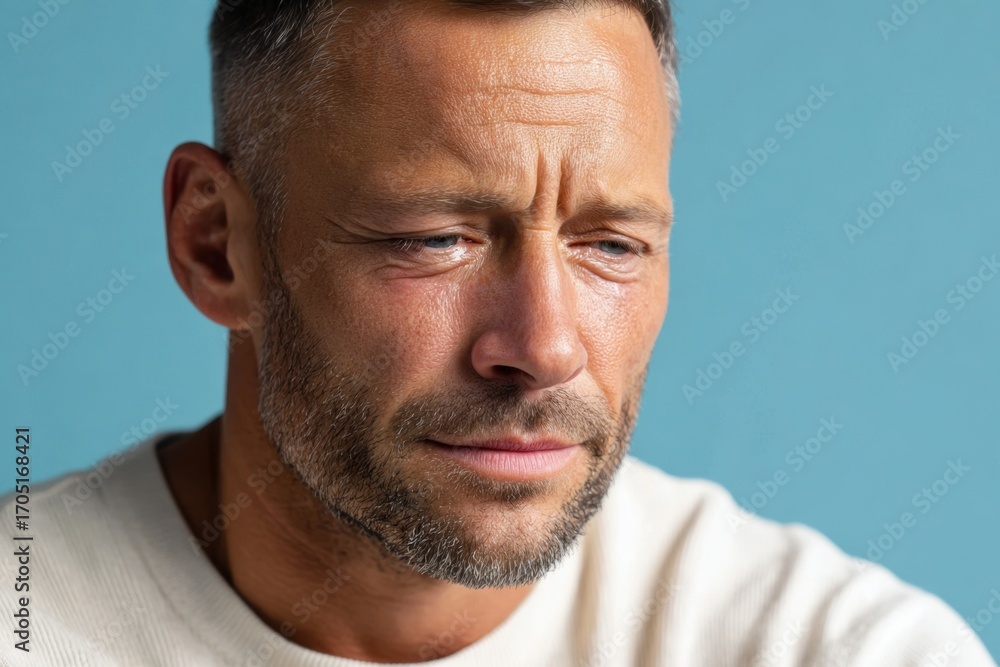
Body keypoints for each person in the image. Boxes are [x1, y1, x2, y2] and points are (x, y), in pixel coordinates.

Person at [1, 0, 995, 665]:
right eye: (435, 238)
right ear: (216, 243)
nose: (545, 345)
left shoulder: (841, 650)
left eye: (610, 244)